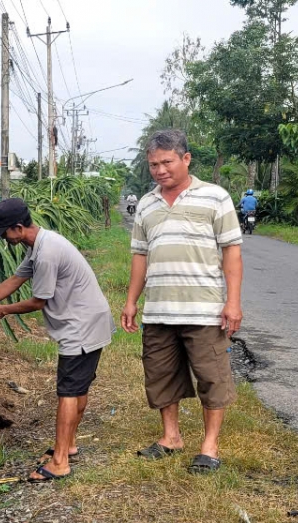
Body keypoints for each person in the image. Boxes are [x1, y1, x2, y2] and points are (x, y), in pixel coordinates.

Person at [122, 129, 244, 474]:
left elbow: (232, 253)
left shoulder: (215, 197)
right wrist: (132, 301)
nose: (160, 170)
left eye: (167, 162)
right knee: (161, 374)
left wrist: (232, 302)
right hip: (159, 309)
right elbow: (139, 256)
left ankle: (209, 446)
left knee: (211, 376)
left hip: (203, 309)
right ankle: (170, 437)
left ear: (186, 159)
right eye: (153, 164)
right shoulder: (146, 204)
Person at [0, 198, 114, 483]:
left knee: (68, 392)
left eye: (4, 233)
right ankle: (68, 445)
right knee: (77, 387)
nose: (4, 239)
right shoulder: (40, 244)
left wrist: (2, 310)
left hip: (81, 326)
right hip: (87, 321)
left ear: (17, 227)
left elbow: (38, 301)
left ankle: (60, 461)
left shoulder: (47, 252)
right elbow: (16, 279)